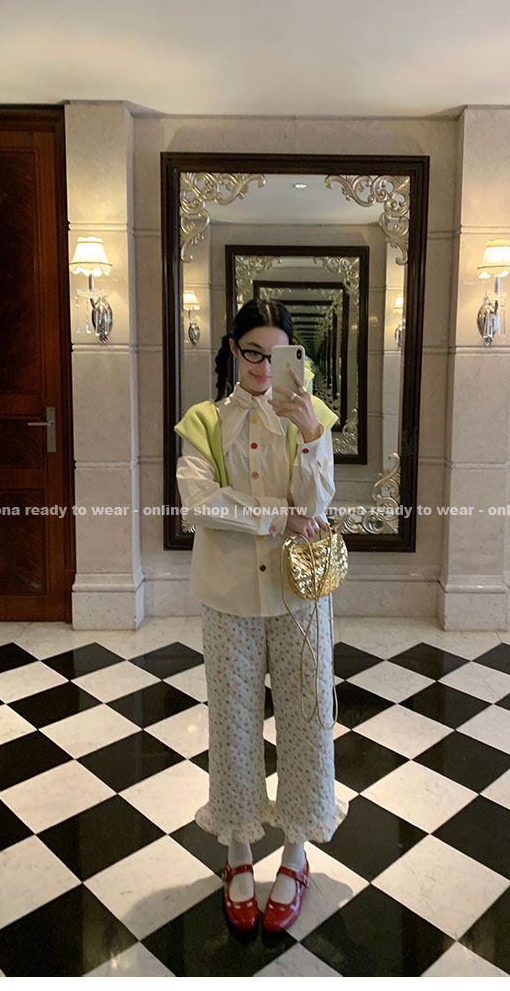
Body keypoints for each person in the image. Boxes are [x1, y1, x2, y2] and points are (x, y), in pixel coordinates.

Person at [175, 298, 348, 933]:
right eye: (252, 352)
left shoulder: (311, 416)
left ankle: (296, 853)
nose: (263, 367)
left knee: (306, 721)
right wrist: (277, 516)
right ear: (232, 348)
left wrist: (312, 439)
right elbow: (199, 502)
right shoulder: (203, 421)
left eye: (277, 355)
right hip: (228, 598)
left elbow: (318, 505)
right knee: (234, 722)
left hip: (301, 597)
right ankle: (238, 851)